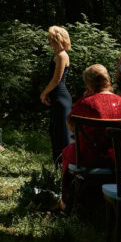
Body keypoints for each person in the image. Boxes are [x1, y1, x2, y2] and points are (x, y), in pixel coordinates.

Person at [60, 64, 121, 208]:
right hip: (119, 159)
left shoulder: (85, 103)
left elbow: (71, 125)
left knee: (67, 151)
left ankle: (68, 200)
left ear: (88, 83)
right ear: (108, 80)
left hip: (89, 159)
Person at [40, 25, 72, 166]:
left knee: (62, 133)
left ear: (58, 39)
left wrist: (44, 93)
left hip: (60, 97)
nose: (49, 42)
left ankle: (65, 166)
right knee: (55, 131)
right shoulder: (58, 55)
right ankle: (58, 165)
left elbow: (56, 79)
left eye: (51, 39)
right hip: (56, 96)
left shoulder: (61, 55)